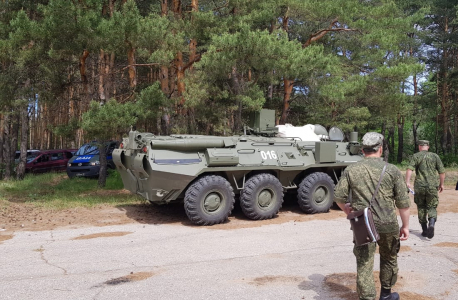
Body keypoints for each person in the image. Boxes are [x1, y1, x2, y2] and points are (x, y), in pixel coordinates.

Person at [335, 132, 410, 300]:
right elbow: (403, 203)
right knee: (389, 258)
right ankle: (386, 295)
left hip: (363, 223)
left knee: (364, 262)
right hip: (388, 223)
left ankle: (367, 297)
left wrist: (347, 210)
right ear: (380, 149)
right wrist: (405, 226)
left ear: (362, 150)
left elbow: (339, 196)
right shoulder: (391, 170)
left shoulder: (351, 169)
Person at [405, 140, 445, 239]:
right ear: (428, 147)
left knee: (421, 206)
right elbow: (442, 172)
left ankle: (424, 230)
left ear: (419, 146)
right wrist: (441, 184)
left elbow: (410, 169)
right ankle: (431, 224)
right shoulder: (435, 156)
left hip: (419, 186)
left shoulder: (416, 156)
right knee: (432, 206)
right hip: (432, 186)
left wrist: (407, 182)